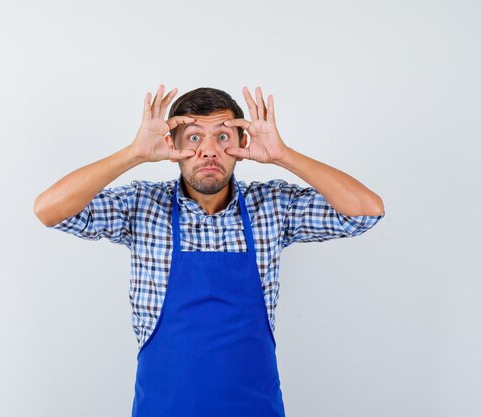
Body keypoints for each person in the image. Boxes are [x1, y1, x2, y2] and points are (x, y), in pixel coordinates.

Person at [34, 85, 385, 417]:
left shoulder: (274, 207)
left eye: (222, 136)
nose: (208, 150)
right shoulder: (140, 206)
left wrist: (284, 156)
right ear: (171, 144)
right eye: (193, 137)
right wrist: (133, 154)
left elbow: (366, 211)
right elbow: (49, 210)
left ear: (242, 142)